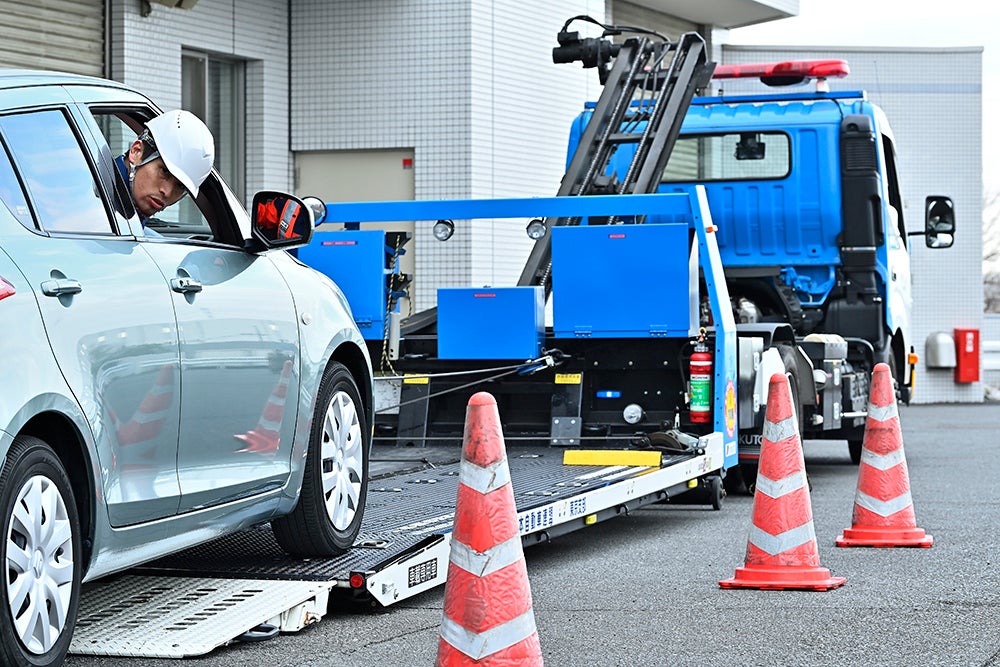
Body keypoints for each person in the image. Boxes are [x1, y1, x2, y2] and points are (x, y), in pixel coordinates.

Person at [115, 109, 215, 228]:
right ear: (136, 152)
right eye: (165, 171)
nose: (167, 192)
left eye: (180, 186)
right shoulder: (95, 202)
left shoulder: (122, 217)